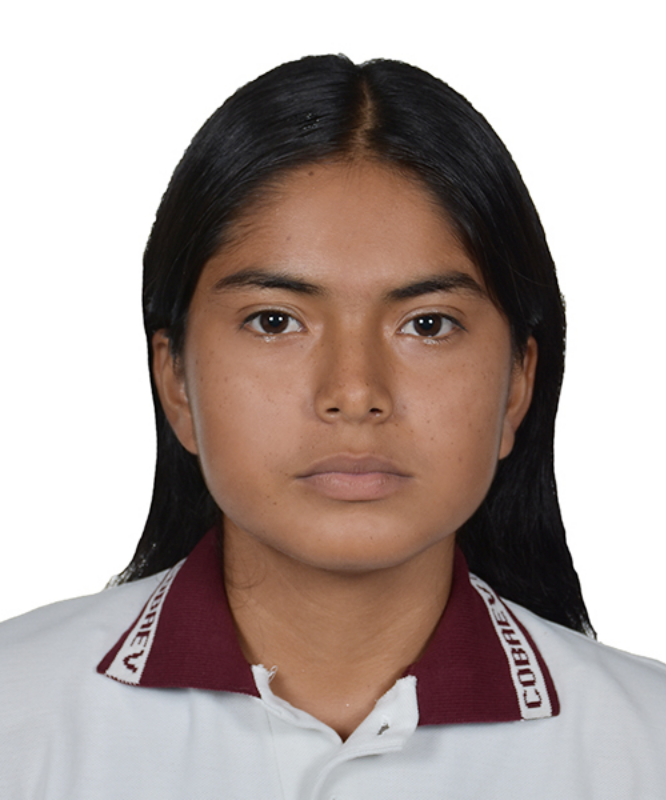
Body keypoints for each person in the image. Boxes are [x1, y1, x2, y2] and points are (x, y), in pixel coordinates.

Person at [1, 54, 665, 798]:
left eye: (428, 324)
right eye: (275, 321)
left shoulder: (647, 746)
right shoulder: (16, 716)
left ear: (517, 385)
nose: (354, 393)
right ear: (176, 381)